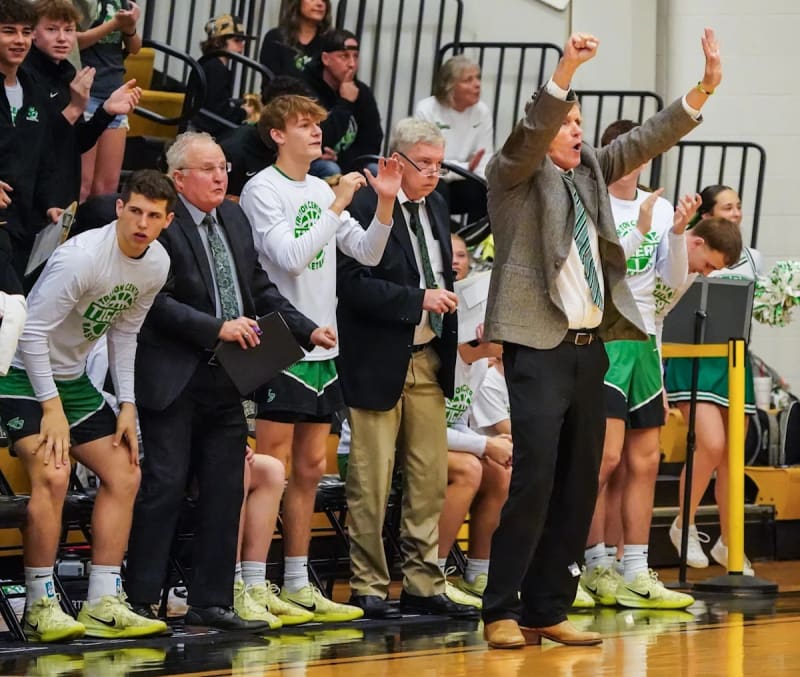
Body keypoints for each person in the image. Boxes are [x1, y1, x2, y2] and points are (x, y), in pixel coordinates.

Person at [480, 29, 722, 650]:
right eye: (568, 122)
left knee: (579, 481)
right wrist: (565, 70)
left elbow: (645, 139)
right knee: (534, 478)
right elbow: (533, 130)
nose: (576, 131)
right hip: (538, 346)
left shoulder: (588, 170)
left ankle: (546, 608)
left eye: (581, 122)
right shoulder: (514, 174)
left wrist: (700, 92)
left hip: (591, 348)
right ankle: (500, 607)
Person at [124, 131, 328, 632]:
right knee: (165, 486)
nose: (220, 177)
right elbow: (156, 302)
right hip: (174, 375)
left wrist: (306, 328)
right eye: (208, 169)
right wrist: (216, 327)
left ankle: (211, 601)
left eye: (223, 168)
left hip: (230, 375)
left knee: (224, 488)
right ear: (179, 179)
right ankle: (141, 599)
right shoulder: (165, 223)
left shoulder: (234, 218)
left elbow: (258, 286)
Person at [239, 94, 401, 623]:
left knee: (310, 469)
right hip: (278, 340)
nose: (315, 132)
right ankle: (252, 581)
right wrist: (336, 204)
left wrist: (383, 203)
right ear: (276, 135)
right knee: (272, 467)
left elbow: (368, 252)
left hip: (324, 345)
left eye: (317, 124)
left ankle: (296, 581)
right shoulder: (262, 189)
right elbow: (289, 257)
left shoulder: (319, 188)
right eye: (303, 124)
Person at [0, 169, 176, 642]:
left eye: (153, 216)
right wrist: (51, 408)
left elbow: (125, 332)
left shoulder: (156, 263)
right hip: (18, 371)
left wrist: (128, 403)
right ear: (119, 208)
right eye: (134, 211)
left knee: (126, 472)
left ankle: (102, 602)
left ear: (167, 221)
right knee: (54, 474)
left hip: (72, 377)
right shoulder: (81, 258)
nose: (142, 223)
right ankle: (39, 604)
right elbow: (31, 334)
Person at [336, 117, 478, 621]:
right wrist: (417, 298)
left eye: (440, 164)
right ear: (395, 161)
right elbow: (351, 285)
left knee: (428, 479)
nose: (435, 174)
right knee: (371, 481)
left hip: (428, 356)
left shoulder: (436, 204)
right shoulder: (362, 204)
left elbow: (437, 272)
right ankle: (368, 586)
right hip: (377, 357)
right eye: (425, 164)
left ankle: (423, 582)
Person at [578, 118, 697, 611]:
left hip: (645, 338)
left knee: (644, 461)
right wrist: (642, 227)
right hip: (605, 334)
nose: (634, 161)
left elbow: (672, 280)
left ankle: (635, 569)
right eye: (625, 151)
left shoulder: (660, 205)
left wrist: (677, 232)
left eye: (641, 153)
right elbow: (600, 270)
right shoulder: (590, 201)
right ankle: (590, 563)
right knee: (604, 459)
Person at [665, 185, 760, 575]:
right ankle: (683, 524)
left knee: (732, 457)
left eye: (738, 206)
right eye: (727, 207)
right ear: (706, 216)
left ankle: (730, 540)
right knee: (711, 443)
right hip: (694, 357)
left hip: (734, 360)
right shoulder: (688, 253)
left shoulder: (752, 257)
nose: (735, 213)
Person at [437, 233, 511, 610]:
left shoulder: (480, 364)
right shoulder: (439, 358)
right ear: (481, 330)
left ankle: (478, 572)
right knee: (470, 468)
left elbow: (458, 424)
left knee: (499, 471)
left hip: (440, 445)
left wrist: (494, 449)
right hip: (400, 448)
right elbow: (426, 433)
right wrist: (486, 445)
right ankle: (433, 573)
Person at [25, 0, 141, 210]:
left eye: (69, 30)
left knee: (105, 191)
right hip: (32, 200)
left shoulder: (67, 72)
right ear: (32, 33)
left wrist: (106, 111)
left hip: (57, 202)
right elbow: (36, 146)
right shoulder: (25, 75)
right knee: (83, 187)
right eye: (52, 30)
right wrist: (76, 108)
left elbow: (77, 141)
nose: (62, 38)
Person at [0, 0, 62, 288]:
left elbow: (45, 159)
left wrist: (50, 205)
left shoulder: (35, 90)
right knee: (14, 305)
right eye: (8, 31)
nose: (19, 40)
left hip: (22, 225)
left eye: (26, 32)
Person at [414, 55, 493, 222]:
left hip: (464, 181)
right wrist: (466, 167)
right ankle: (441, 237)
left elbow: (484, 162)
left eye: (477, 78)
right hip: (434, 180)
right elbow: (428, 165)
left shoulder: (482, 112)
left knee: (485, 191)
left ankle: (475, 239)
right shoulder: (426, 109)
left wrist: (467, 171)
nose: (477, 84)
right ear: (449, 86)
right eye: (468, 80)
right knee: (437, 189)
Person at [77, 0, 142, 200]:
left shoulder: (122, 2)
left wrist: (130, 29)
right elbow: (74, 42)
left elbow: (135, 48)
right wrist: (114, 24)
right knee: (82, 184)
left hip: (113, 89)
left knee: (108, 187)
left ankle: (100, 221)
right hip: (86, 88)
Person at [306, 29, 383, 177]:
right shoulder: (307, 88)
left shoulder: (362, 92)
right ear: (325, 59)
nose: (352, 64)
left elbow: (372, 142)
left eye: (356, 56)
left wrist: (340, 158)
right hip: (313, 161)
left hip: (347, 161)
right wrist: (345, 103)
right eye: (344, 56)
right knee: (330, 169)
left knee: (376, 170)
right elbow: (314, 137)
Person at [188, 14, 253, 136]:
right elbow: (217, 110)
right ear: (218, 42)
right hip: (204, 132)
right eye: (236, 40)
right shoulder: (215, 68)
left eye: (242, 40)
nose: (242, 45)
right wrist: (244, 112)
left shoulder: (209, 63)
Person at [258, 0, 330, 94]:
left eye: (324, 0)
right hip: (282, 101)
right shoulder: (275, 37)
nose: (320, 4)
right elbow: (270, 83)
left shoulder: (330, 41)